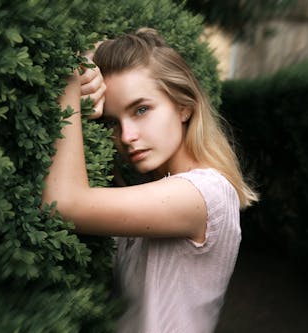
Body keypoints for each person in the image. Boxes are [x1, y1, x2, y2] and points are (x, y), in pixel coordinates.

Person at [42, 28, 258, 333]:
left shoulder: (205, 194)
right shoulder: (159, 190)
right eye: (115, 122)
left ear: (184, 106)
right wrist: (93, 62)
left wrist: (69, 82)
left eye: (141, 109)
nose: (127, 137)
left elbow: (63, 204)